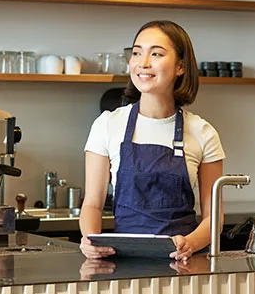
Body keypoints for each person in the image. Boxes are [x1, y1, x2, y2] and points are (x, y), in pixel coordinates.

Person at [79, 20, 225, 261]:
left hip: (183, 265)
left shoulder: (203, 132)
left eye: (156, 53)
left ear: (180, 66)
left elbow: (214, 218)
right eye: (137, 53)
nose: (143, 63)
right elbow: (92, 205)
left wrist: (189, 243)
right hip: (121, 265)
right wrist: (91, 240)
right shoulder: (107, 125)